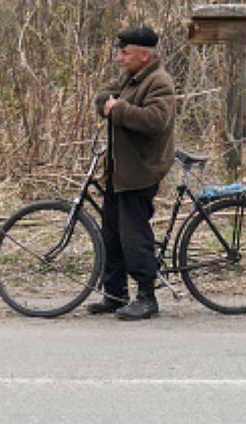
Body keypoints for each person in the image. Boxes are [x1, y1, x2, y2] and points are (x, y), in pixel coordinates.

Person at [87, 26, 176, 321]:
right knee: (111, 234)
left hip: (140, 170)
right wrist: (108, 104)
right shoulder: (133, 78)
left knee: (134, 235)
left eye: (125, 53)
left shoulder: (159, 82)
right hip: (119, 171)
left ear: (144, 54)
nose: (119, 58)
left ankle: (146, 298)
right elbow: (105, 97)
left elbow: (156, 120)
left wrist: (118, 109)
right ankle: (115, 294)